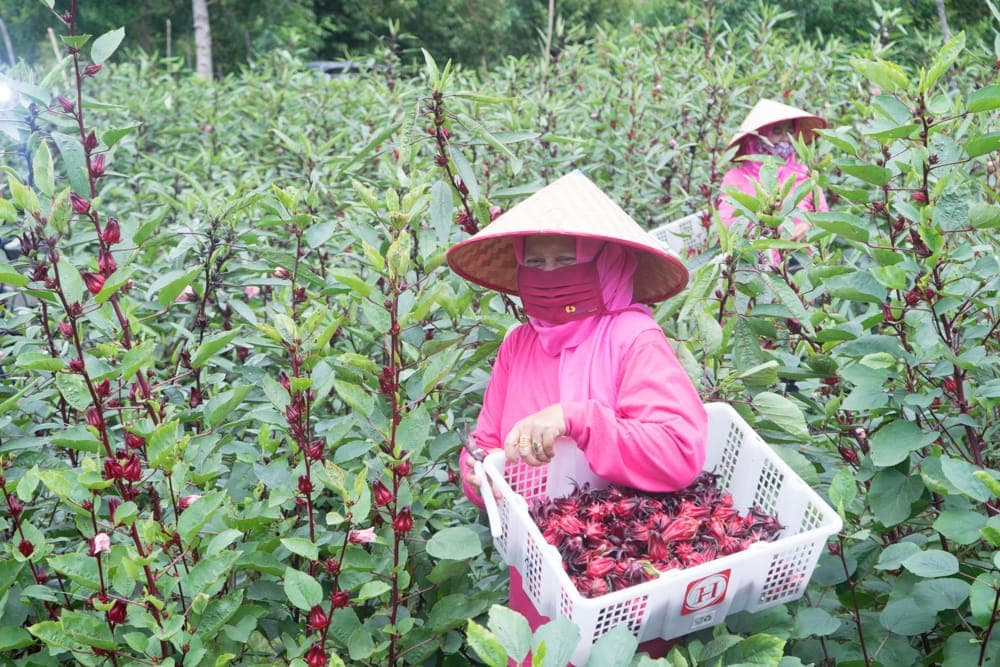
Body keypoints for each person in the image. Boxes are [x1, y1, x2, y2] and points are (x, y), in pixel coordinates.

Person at [447, 170, 708, 662]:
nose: (549, 274)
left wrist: (577, 418)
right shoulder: (518, 344)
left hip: (624, 575)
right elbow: (484, 443)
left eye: (566, 260)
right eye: (536, 261)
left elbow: (679, 451)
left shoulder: (634, 339)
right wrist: (478, 475)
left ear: (607, 262)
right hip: (540, 574)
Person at [716, 99, 829, 265]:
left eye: (790, 131)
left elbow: (824, 214)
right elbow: (728, 226)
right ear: (758, 137)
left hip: (801, 260)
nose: (785, 138)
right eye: (777, 132)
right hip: (757, 264)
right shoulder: (736, 178)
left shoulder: (803, 173)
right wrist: (767, 217)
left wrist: (808, 226)